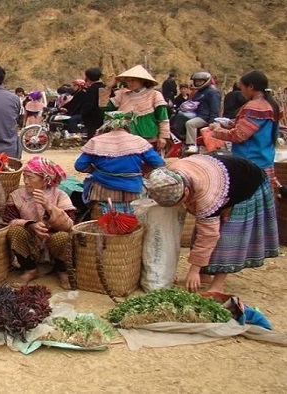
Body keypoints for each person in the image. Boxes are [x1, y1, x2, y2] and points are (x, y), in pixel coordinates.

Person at [145, 155, 278, 293]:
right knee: (200, 230)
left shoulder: (206, 195)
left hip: (247, 183)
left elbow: (209, 235)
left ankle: (218, 284)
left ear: (186, 191)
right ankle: (204, 274)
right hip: (221, 173)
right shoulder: (169, 175)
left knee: (228, 238)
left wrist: (193, 269)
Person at [74, 111, 165, 217]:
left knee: (107, 226)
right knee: (135, 225)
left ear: (106, 124)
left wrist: (93, 170)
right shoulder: (138, 141)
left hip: (103, 192)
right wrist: (144, 169)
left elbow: (79, 165)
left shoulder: (96, 141)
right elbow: (159, 163)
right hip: (134, 190)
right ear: (127, 124)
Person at [2, 157, 75, 285]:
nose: (26, 181)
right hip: (31, 243)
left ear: (45, 180)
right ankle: (30, 269)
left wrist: (49, 207)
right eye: (24, 177)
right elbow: (8, 220)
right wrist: (30, 225)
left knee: (63, 237)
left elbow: (70, 225)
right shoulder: (17, 196)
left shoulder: (60, 195)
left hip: (52, 242)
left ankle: (62, 270)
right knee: (14, 231)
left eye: (31, 177)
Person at [209, 70, 283, 191]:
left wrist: (217, 130)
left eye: (242, 88)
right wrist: (228, 124)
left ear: (251, 87)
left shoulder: (255, 107)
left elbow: (239, 135)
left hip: (250, 162)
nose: (241, 91)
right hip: (264, 158)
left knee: (247, 199)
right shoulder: (271, 104)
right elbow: (253, 128)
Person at [99, 65, 170, 152]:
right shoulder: (122, 95)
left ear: (142, 80)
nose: (130, 83)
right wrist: (108, 88)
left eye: (133, 80)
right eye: (128, 81)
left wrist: (163, 136)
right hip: (126, 138)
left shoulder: (154, 95)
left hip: (148, 137)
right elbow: (104, 107)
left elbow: (163, 118)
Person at [183, 71, 221, 153]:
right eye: (196, 81)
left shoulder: (212, 92)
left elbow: (215, 107)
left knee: (190, 124)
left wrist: (212, 121)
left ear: (206, 81)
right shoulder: (199, 92)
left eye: (200, 81)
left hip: (205, 117)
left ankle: (192, 145)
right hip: (197, 114)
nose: (198, 83)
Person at [81, 67, 105, 139]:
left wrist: (83, 114)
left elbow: (88, 106)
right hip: (105, 118)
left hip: (93, 120)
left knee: (93, 139)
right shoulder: (106, 88)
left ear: (88, 78)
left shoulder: (91, 90)